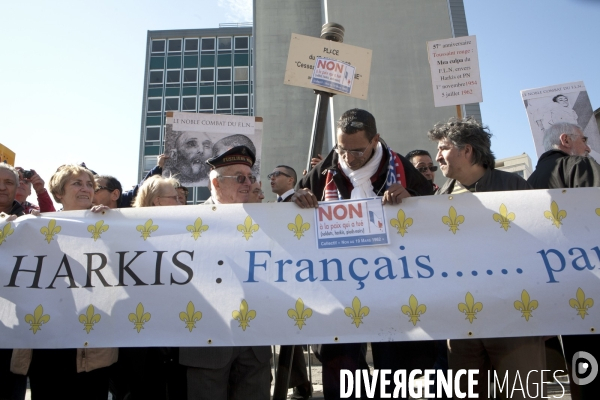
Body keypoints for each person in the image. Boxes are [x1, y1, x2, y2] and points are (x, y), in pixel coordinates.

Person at [293, 108, 434, 400]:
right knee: (341, 367)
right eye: (342, 149)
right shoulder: (330, 167)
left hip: (390, 280)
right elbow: (296, 204)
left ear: (375, 140)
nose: (348, 158)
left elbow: (432, 211)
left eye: (357, 151)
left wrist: (413, 200)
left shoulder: (400, 166)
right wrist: (299, 197)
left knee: (393, 366)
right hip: (341, 281)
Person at [428, 117, 546, 399]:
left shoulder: (513, 186)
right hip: (462, 324)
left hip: (515, 319)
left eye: (443, 148)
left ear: (466, 151)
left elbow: (542, 246)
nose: (437, 156)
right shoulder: (439, 198)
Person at [11, 164, 117, 400]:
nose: (85, 189)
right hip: (46, 345)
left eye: (90, 184)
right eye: (77, 183)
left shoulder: (109, 225)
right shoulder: (36, 225)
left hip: (90, 345)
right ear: (58, 193)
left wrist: (112, 227)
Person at [180, 145, 272, 400]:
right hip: (207, 343)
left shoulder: (268, 220)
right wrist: (104, 221)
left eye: (250, 177)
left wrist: (300, 204)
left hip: (255, 345)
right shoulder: (185, 221)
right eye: (239, 177)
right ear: (216, 183)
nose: (247, 183)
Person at [527, 122, 599, 400]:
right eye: (584, 139)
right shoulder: (578, 165)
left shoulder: (529, 182)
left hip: (555, 287)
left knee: (579, 363)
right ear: (565, 139)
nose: (588, 146)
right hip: (590, 280)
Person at [0, 164, 27, 400]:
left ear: (17, 189)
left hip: (14, 331)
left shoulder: (32, 224)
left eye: (9, 183)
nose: (2, 187)